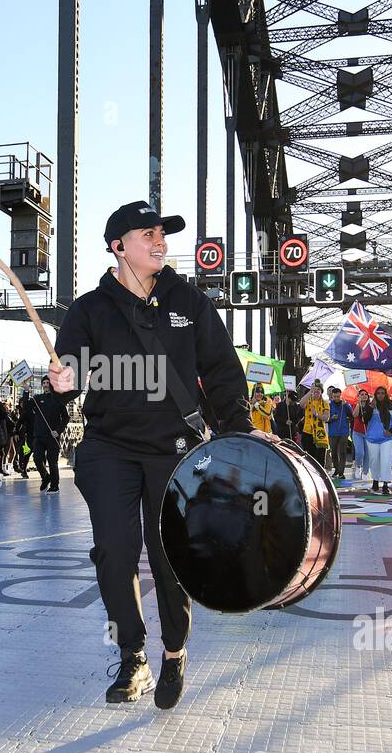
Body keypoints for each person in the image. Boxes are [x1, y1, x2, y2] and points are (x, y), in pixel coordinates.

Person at [49, 199, 277, 710]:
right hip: (109, 446)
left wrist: (237, 430)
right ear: (118, 246)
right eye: (147, 233)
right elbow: (71, 370)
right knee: (113, 551)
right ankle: (133, 656)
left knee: (170, 553)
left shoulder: (189, 302)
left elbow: (221, 371)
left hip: (175, 448)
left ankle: (173, 651)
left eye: (162, 234)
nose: (160, 242)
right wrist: (63, 381)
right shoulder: (89, 309)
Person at [31, 376, 70, 492]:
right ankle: (45, 477)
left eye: (48, 382)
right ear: (42, 385)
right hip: (39, 435)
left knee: (52, 461)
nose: (46, 385)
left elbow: (66, 418)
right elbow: (27, 408)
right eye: (44, 383)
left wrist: (58, 431)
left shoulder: (58, 400)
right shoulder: (37, 399)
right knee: (37, 458)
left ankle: (54, 485)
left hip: (52, 436)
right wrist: (26, 390)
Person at [359, 386, 392, 494]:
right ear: (375, 394)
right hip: (372, 438)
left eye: (383, 393)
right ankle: (375, 482)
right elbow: (364, 419)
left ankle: (385, 484)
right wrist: (369, 408)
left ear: (386, 394)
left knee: (386, 461)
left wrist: (391, 431)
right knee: (374, 461)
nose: (380, 395)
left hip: (387, 438)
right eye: (378, 393)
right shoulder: (370, 406)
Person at [324, 386, 352, 479]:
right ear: (332, 396)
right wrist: (332, 418)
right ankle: (336, 469)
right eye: (335, 396)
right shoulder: (329, 405)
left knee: (343, 452)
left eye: (338, 396)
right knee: (334, 452)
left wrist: (347, 405)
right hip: (333, 433)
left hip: (343, 432)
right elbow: (326, 419)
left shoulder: (345, 404)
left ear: (341, 396)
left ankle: (341, 472)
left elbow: (351, 415)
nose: (336, 398)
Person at [299, 380, 328, 469]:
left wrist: (317, 414)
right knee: (308, 457)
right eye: (314, 389)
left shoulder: (325, 403)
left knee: (320, 458)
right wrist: (309, 392)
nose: (316, 391)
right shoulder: (308, 401)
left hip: (320, 434)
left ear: (321, 392)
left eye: (318, 389)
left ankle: (321, 476)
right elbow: (301, 404)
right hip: (308, 432)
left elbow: (326, 418)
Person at [350, 385, 371, 484]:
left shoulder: (370, 406)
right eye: (361, 394)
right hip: (357, 433)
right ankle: (358, 466)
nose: (364, 396)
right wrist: (358, 404)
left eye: (365, 394)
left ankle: (365, 472)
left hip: (368, 433)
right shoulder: (355, 404)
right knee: (360, 452)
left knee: (367, 454)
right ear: (358, 396)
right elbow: (354, 415)